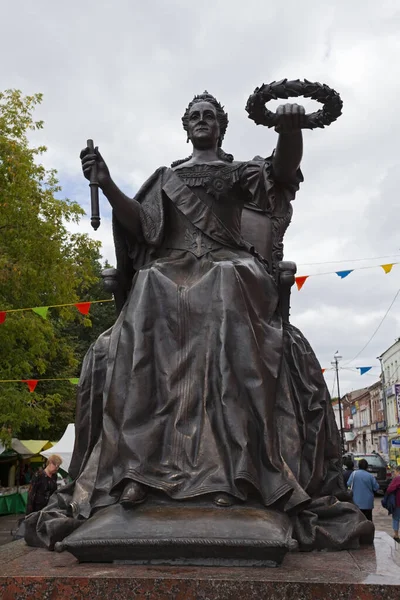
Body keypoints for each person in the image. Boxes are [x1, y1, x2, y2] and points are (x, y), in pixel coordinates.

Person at [25, 92, 373, 552]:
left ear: (222, 126)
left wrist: (291, 131)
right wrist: (107, 184)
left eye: (211, 115)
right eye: (196, 116)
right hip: (171, 272)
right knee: (149, 287)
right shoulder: (167, 179)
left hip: (231, 267)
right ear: (186, 126)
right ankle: (136, 472)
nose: (203, 120)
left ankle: (238, 471)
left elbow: (282, 173)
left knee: (225, 282)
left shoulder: (239, 172)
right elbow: (144, 229)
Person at [386, 465, 400, 542]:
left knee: (396, 518)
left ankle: (396, 535)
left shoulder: (397, 478)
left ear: (398, 471)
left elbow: (389, 489)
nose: (394, 473)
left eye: (395, 472)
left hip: (398, 502)